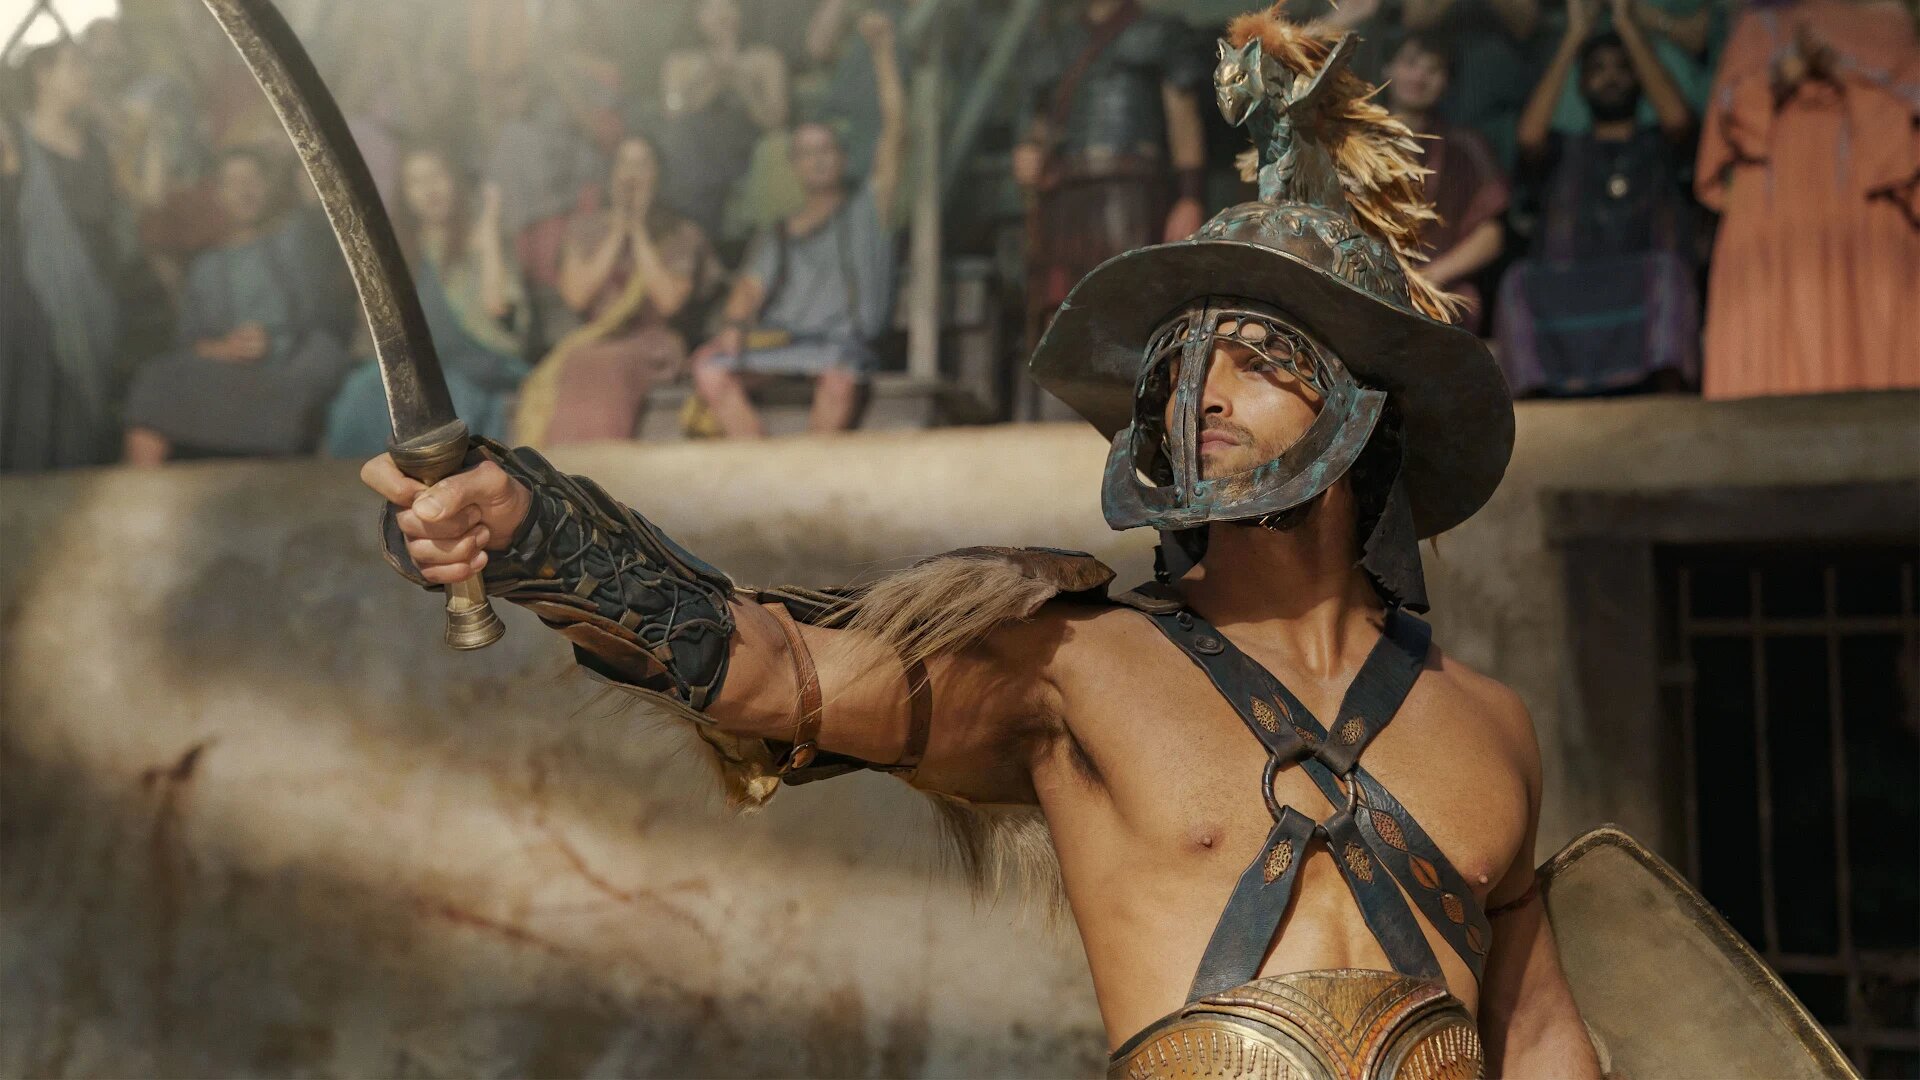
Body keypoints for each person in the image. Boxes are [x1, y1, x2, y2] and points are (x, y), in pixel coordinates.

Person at [362, 12, 1606, 1077]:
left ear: (1363, 415)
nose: (1206, 394)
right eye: (1184, 363)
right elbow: (771, 670)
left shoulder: (1490, 727)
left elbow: (1544, 1038)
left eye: (1257, 357)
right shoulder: (1075, 663)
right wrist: (529, 528)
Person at [687, 11, 906, 439]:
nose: (819, 159)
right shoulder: (781, 232)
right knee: (709, 368)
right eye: (808, 153)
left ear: (841, 158)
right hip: (783, 343)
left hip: (840, 347)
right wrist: (734, 325)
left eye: (826, 150)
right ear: (795, 166)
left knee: (839, 381)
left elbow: (895, 131)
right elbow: (749, 288)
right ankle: (764, 460)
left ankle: (808, 466)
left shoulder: (868, 210)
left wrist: (883, 53)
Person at [1694, 0, 1920, 399]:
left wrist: (1840, 71)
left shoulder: (1888, 23)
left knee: (1872, 341)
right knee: (1774, 348)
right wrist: (1782, 75)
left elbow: (1908, 124)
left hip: (1866, 212)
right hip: (1775, 212)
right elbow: (1726, 123)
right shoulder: (1757, 26)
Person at [1495, 0, 1699, 397]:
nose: (1611, 78)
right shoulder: (1562, 150)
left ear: (1639, 78)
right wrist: (1575, 36)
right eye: (1598, 69)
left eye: (1623, 68)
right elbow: (1529, 137)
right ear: (1581, 83)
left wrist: (1627, 25)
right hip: (1573, 288)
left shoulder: (1658, 144)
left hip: (1639, 281)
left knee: (1668, 275)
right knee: (1516, 281)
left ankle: (1667, 397)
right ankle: (1533, 406)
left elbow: (1677, 119)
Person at [122, 147, 353, 463]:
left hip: (287, 368)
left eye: (253, 180)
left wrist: (276, 342)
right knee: (156, 379)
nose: (245, 190)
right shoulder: (206, 266)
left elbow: (321, 314)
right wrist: (224, 348)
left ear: (268, 187)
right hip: (227, 372)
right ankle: (142, 488)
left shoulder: (297, 240)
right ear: (219, 195)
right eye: (233, 183)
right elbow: (189, 340)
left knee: (306, 380)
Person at [1014, 0, 1211, 349]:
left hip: (1135, 200)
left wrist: (1189, 197)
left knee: (1135, 312)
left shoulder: (1158, 34)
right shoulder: (1057, 45)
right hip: (1067, 200)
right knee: (1063, 320)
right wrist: (1029, 153)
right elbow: (1040, 127)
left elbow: (1183, 120)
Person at [512, 132, 724, 447]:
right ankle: (562, 461)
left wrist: (638, 230)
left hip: (654, 343)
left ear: (657, 176)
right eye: (625, 164)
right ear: (612, 174)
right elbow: (577, 296)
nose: (632, 175)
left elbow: (669, 302)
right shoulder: (585, 229)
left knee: (609, 362)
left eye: (642, 165)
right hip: (595, 338)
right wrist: (618, 230)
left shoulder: (680, 233)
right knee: (578, 361)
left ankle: (598, 463)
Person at [323, 147, 532, 458]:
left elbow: (499, 310)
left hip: (478, 363)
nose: (430, 190)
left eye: (436, 176)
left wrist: (488, 236)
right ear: (405, 194)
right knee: (361, 390)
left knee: (447, 395)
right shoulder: (402, 249)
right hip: (416, 364)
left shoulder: (483, 239)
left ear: (453, 181)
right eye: (416, 182)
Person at [6, 39, 130, 471]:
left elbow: (118, 218)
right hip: (34, 294)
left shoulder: (96, 143)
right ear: (42, 75)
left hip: (98, 292)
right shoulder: (13, 141)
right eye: (74, 66)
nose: (86, 76)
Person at [1382, 32, 1509, 334]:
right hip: (1362, 281)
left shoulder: (1466, 149)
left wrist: (1427, 279)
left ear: (1447, 83)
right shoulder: (1350, 141)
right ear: (1388, 68)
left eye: (1433, 69)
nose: (1419, 76)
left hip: (1437, 291)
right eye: (1411, 63)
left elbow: (1491, 236)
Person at [651, 0, 796, 250]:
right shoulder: (679, 62)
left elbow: (776, 120)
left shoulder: (766, 58)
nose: (721, 15)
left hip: (749, 144)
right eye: (710, 8)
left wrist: (740, 79)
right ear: (697, 18)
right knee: (679, 139)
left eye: (729, 5)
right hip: (695, 147)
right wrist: (711, 75)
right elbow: (672, 111)